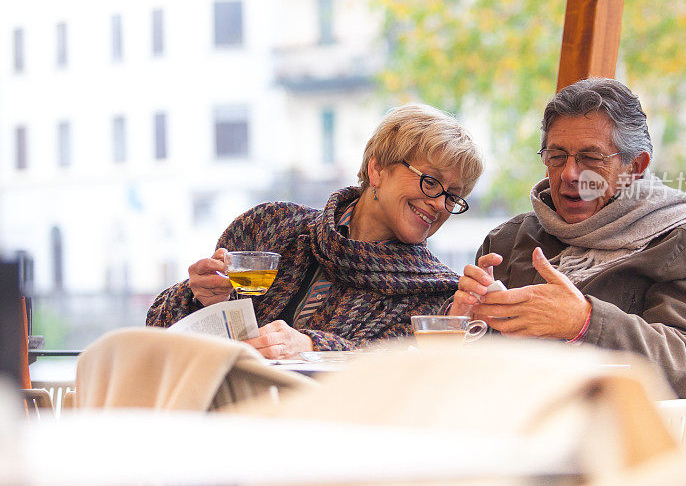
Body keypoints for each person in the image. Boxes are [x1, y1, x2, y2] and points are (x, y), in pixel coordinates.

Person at [452, 77, 686, 398]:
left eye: (591, 158)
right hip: (509, 426)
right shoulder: (507, 240)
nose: (569, 174)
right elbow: (466, 372)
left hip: (621, 437)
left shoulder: (684, 237)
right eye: (557, 156)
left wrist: (586, 321)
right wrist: (461, 322)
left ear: (636, 166)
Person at [147, 104, 484, 359]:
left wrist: (312, 345)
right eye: (430, 182)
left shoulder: (438, 296)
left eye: (453, 196)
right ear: (377, 169)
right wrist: (200, 299)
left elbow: (400, 377)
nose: (440, 204)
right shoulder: (270, 226)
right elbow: (158, 334)